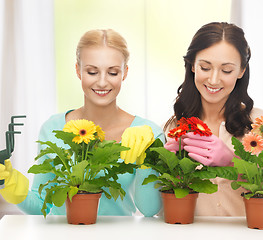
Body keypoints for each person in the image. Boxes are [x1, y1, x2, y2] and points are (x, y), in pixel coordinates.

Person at [0, 29, 164, 217]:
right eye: (92, 72)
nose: (102, 82)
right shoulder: (53, 128)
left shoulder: (148, 133)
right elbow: (42, 206)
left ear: (124, 73)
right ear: (78, 70)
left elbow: (150, 210)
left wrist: (146, 159)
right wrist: (13, 188)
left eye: (112, 72)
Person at [164, 22, 263, 216]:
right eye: (205, 67)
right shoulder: (175, 127)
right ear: (192, 66)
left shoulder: (262, 123)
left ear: (241, 71)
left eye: (226, 70)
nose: (214, 80)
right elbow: (161, 210)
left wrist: (233, 163)